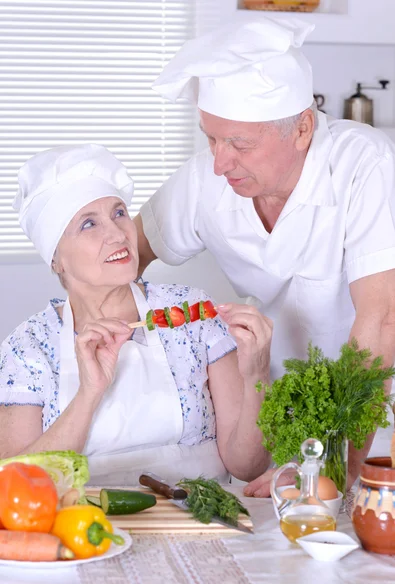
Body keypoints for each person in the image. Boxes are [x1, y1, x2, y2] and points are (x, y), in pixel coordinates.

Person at [134, 16, 395, 496]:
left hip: (369, 433)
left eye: (239, 144)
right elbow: (120, 253)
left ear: (301, 129)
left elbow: (381, 324)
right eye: (211, 138)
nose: (219, 162)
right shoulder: (205, 179)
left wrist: (334, 471)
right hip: (277, 421)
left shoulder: (367, 167)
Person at [0, 143, 273, 486]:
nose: (117, 234)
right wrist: (90, 392)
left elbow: (247, 467)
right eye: (89, 224)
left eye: (118, 213)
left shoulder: (193, 316)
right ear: (56, 259)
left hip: (202, 521)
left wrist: (256, 374)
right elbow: (16, 487)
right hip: (88, 531)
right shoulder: (28, 349)